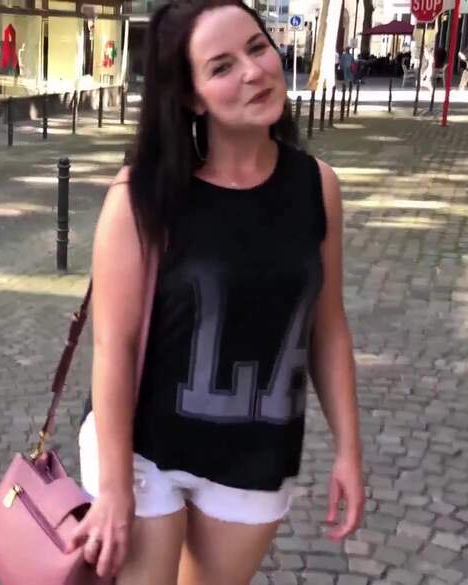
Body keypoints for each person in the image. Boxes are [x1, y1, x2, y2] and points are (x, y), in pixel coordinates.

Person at [66, 0, 365, 583]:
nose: (254, 72)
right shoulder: (143, 196)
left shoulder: (317, 187)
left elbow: (328, 328)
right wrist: (114, 487)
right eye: (222, 66)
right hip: (145, 449)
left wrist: (349, 450)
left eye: (257, 48)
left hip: (257, 452)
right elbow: (114, 346)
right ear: (192, 96)